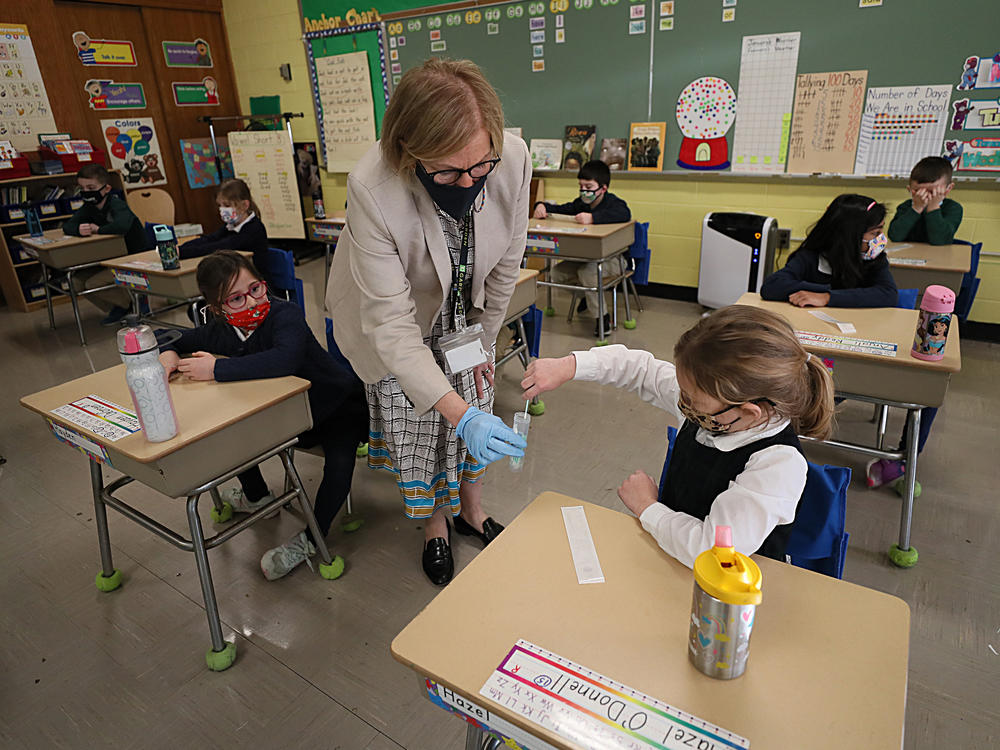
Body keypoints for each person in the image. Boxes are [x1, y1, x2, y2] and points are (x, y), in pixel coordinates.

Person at [325, 58, 529, 586]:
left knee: (476, 402)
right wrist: (459, 413)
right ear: (407, 153)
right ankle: (433, 524)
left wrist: (483, 345)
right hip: (398, 317)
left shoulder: (511, 158)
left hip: (463, 314)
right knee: (421, 424)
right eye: (445, 171)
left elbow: (507, 263)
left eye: (478, 167)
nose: (467, 181)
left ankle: (471, 511)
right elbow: (391, 325)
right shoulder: (373, 186)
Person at [521, 305, 835, 568]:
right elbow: (641, 370)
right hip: (669, 556)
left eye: (692, 401)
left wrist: (647, 507)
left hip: (723, 593)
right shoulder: (717, 408)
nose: (684, 404)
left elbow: (714, 553)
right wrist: (571, 365)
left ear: (751, 411)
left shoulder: (777, 465)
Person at [159, 251, 368, 580]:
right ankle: (257, 497)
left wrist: (216, 368)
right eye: (237, 298)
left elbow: (283, 359)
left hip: (336, 406)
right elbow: (169, 336)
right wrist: (169, 353)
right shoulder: (220, 331)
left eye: (256, 289)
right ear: (217, 309)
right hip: (285, 417)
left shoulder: (285, 315)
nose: (253, 301)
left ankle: (312, 539)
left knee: (340, 465)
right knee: (236, 433)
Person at [533, 159, 632, 335]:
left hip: (616, 260)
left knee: (588, 273)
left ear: (603, 188)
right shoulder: (581, 203)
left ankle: (603, 319)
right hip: (588, 259)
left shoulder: (613, 203)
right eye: (581, 186)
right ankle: (587, 296)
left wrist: (593, 218)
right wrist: (541, 206)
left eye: (588, 186)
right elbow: (563, 209)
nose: (584, 191)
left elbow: (624, 213)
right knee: (556, 273)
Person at [760, 194, 897, 308]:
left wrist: (828, 297)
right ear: (849, 236)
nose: (880, 239)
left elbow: (888, 294)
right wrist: (824, 291)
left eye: (881, 231)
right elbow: (771, 286)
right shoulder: (810, 257)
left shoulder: (874, 259)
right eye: (875, 233)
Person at [62, 163, 148, 325]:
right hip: (109, 259)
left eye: (91, 187)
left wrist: (98, 229)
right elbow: (68, 226)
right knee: (76, 282)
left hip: (134, 259)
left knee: (93, 283)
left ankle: (133, 305)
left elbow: (121, 226)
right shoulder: (89, 207)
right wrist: (79, 229)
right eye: (82, 188)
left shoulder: (117, 205)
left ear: (106, 188)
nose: (86, 193)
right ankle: (120, 308)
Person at [180, 178, 269, 273]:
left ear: (244, 205)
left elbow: (220, 246)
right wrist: (180, 249)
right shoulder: (230, 226)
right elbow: (210, 239)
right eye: (220, 205)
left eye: (227, 205)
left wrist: (183, 253)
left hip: (257, 281)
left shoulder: (253, 229)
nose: (222, 210)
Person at [887, 156, 962, 246]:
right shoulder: (905, 206)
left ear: (948, 189)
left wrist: (933, 207)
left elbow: (940, 241)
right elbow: (894, 237)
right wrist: (916, 209)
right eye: (918, 191)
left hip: (939, 256)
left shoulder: (953, 208)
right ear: (909, 189)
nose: (924, 196)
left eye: (932, 191)